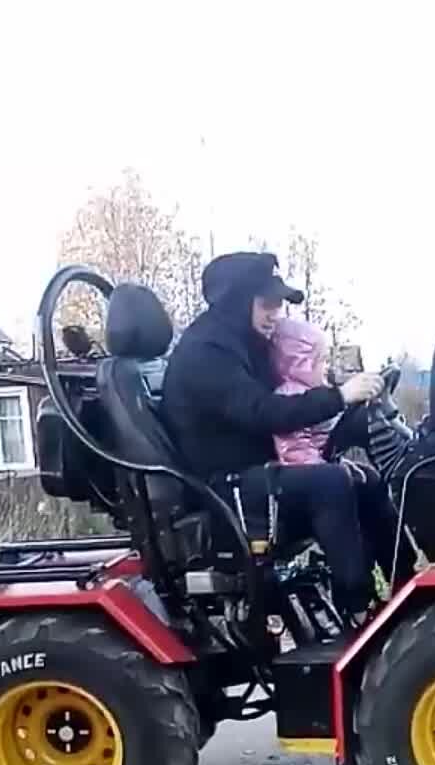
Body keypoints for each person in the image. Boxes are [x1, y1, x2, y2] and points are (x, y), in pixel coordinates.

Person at [162, 251, 384, 619]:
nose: (275, 314)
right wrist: (340, 397)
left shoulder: (245, 345)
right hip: (224, 491)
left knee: (367, 481)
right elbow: (264, 413)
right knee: (329, 484)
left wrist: (342, 414)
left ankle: (407, 589)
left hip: (253, 478)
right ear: (237, 301)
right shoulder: (206, 354)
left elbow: (286, 401)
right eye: (267, 304)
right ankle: (358, 610)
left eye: (279, 305)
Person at [269, 315, 415, 587]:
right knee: (341, 484)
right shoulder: (290, 396)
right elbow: (296, 451)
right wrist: (331, 466)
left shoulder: (314, 393)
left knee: (371, 480)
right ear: (299, 361)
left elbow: (327, 436)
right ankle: (356, 593)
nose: (326, 368)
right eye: (320, 361)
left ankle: (403, 574)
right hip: (301, 485)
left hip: (321, 466)